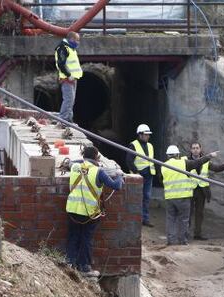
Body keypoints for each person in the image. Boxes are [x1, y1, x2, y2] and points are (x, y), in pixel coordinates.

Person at [66, 146, 123, 277]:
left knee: (73, 236)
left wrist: (82, 160)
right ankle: (84, 267)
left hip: (72, 209)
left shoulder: (74, 167)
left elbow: (71, 162)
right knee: (86, 238)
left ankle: (69, 263)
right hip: (88, 213)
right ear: (97, 157)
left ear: (83, 156)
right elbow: (116, 186)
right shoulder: (99, 172)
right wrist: (120, 176)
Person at [160, 145, 219, 245]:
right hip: (183, 196)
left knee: (171, 219)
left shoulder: (163, 166)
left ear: (167, 155)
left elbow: (161, 179)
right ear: (178, 154)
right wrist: (210, 156)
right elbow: (198, 162)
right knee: (183, 219)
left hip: (170, 197)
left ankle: (171, 240)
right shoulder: (184, 163)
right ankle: (182, 240)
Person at [187, 142, 224, 240]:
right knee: (188, 213)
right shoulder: (186, 161)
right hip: (189, 190)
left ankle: (197, 234)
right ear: (190, 150)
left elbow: (216, 168)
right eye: (193, 148)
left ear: (200, 149)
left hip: (202, 191)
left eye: (197, 148)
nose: (195, 150)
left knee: (199, 213)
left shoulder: (205, 162)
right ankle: (186, 232)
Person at [126, 124, 156, 227]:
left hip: (149, 174)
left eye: (149, 134)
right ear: (140, 135)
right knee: (137, 197)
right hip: (138, 175)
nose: (148, 136)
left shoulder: (150, 146)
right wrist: (136, 173)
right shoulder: (133, 145)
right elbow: (129, 161)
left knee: (147, 197)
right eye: (146, 134)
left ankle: (145, 219)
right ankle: (135, 219)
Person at [55, 31, 83, 123]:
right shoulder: (63, 48)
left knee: (71, 101)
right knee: (68, 100)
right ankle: (63, 120)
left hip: (73, 79)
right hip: (67, 79)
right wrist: (69, 75)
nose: (78, 42)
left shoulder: (71, 49)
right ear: (71, 39)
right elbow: (61, 64)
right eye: (77, 40)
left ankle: (69, 120)